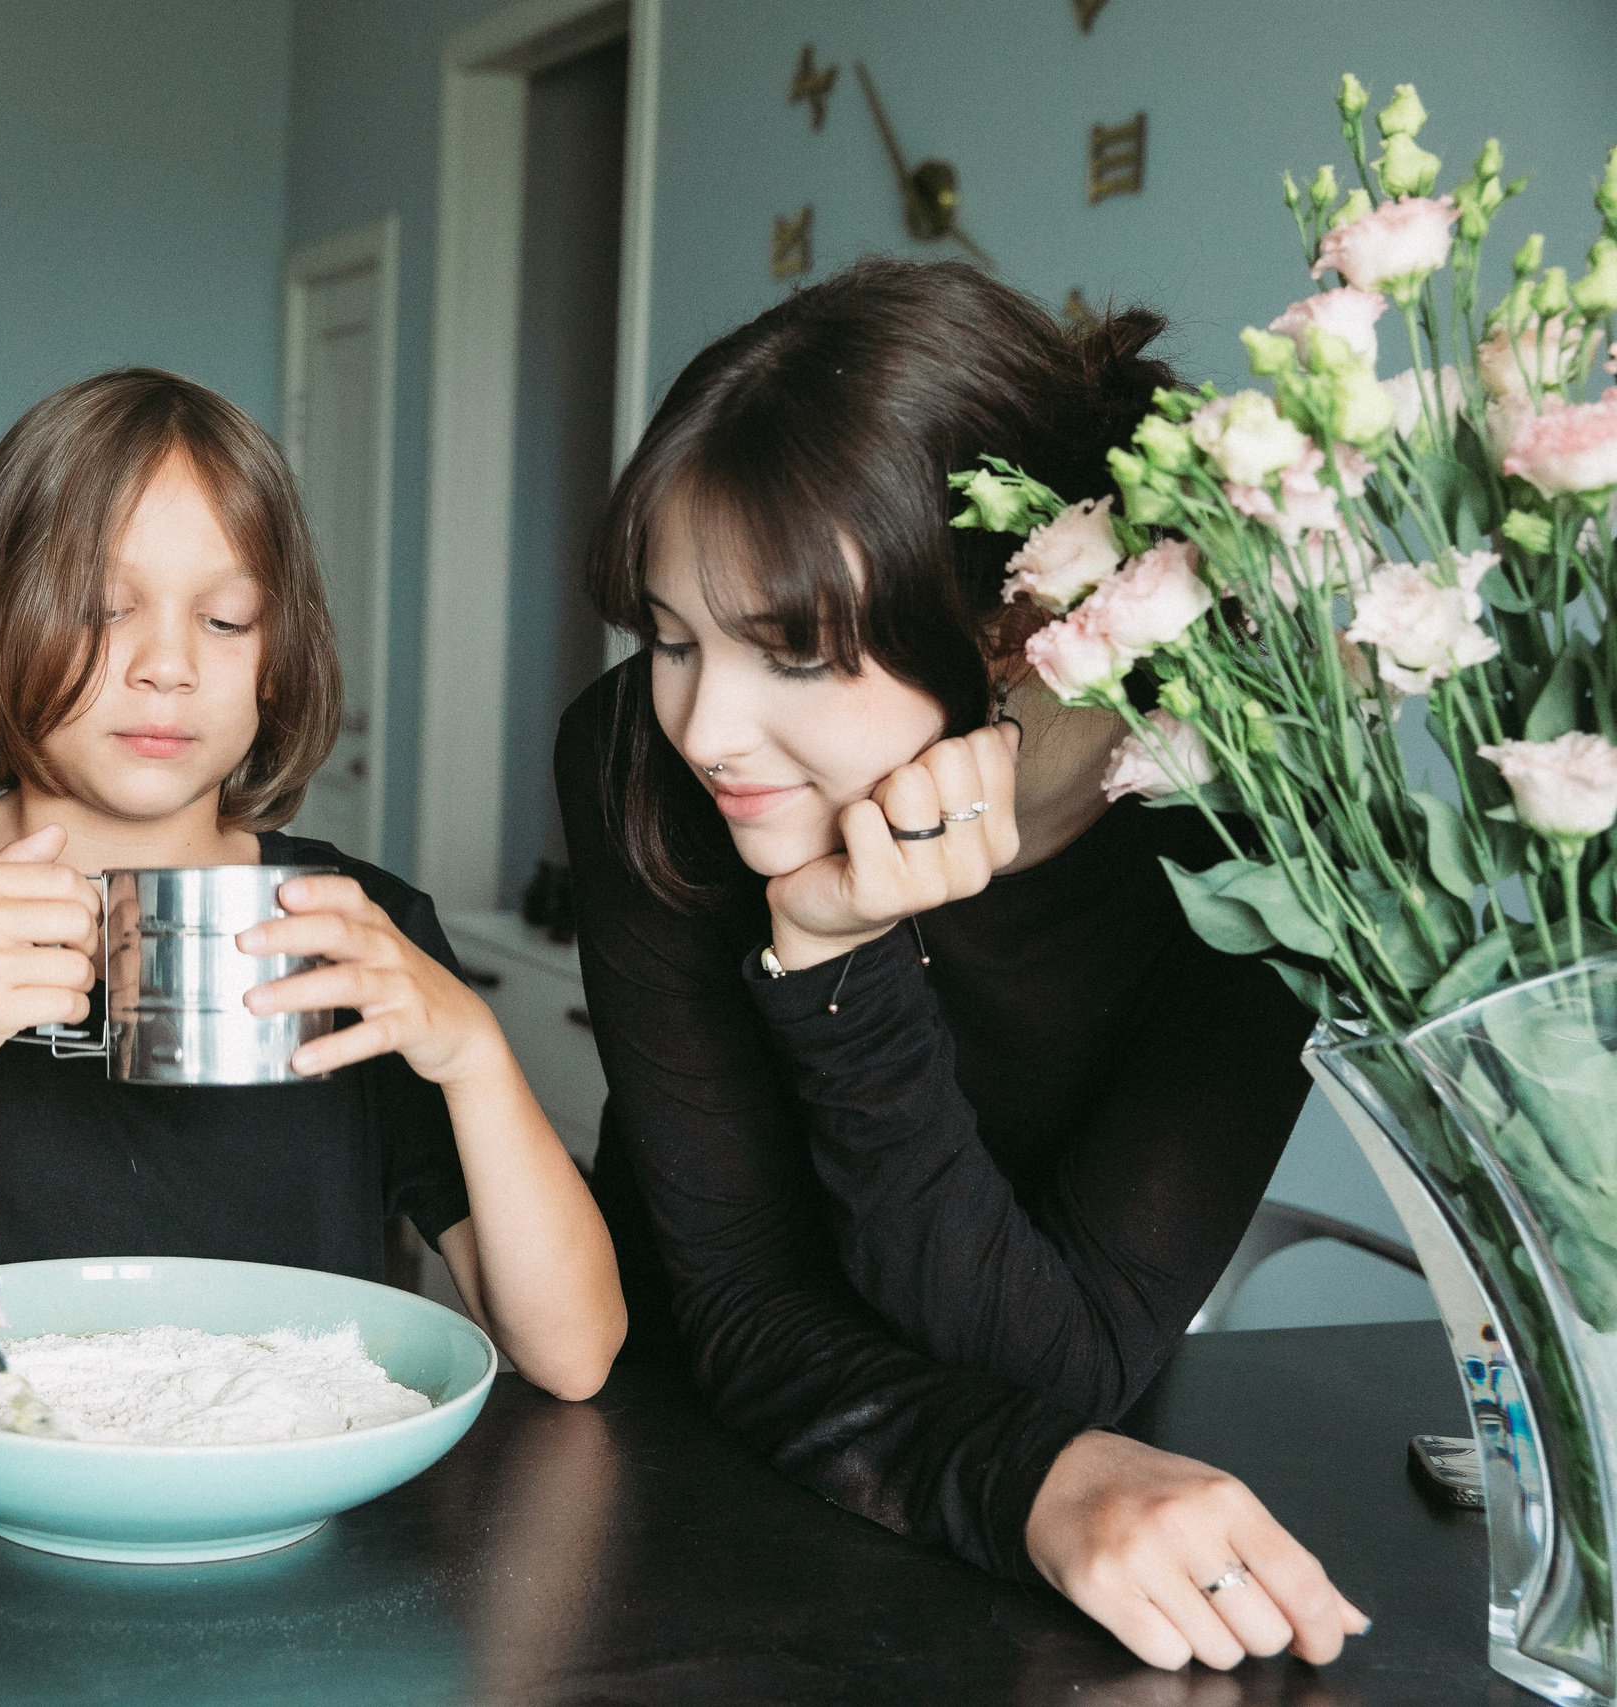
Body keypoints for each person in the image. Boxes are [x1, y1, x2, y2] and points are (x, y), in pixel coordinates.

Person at [558, 258, 1373, 1672]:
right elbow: (739, 1296)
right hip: (659, 1478)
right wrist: (834, 959)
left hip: (1027, 1553)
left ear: (1011, 623)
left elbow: (1071, 1359)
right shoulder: (637, 757)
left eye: (791, 649)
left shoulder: (1255, 834)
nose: (706, 728)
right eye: (675, 638)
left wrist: (844, 972)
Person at [0, 369, 625, 1422]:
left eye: (227, 619)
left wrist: (470, 1049)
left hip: (278, 1517)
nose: (167, 665)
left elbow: (571, 1354)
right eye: (104, 610)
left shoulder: (356, 936)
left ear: (277, 661)